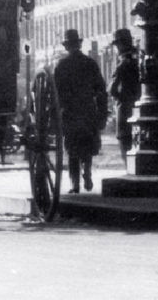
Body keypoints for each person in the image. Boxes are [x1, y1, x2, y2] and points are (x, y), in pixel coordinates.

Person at [53, 29, 109, 193]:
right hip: (87, 110)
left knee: (72, 148)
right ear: (79, 44)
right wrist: (102, 113)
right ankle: (87, 171)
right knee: (87, 143)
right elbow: (101, 89)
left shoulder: (62, 65)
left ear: (67, 47)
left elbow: (56, 92)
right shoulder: (90, 63)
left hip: (70, 111)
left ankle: (75, 183)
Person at [108, 29, 141, 155]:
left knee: (125, 144)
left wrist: (118, 99)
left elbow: (112, 89)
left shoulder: (123, 63)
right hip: (141, 109)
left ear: (120, 45)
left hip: (125, 109)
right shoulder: (139, 58)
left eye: (116, 46)